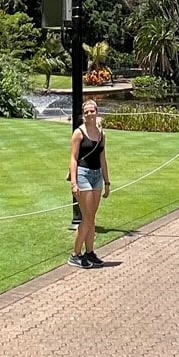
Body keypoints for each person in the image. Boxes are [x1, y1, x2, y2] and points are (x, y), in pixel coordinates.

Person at [68, 99, 110, 268]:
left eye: (92, 111)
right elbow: (73, 159)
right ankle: (75, 254)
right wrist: (74, 183)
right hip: (83, 175)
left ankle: (90, 252)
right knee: (86, 218)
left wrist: (107, 181)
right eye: (87, 112)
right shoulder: (79, 133)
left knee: (91, 218)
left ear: (97, 112)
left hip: (96, 175)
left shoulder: (101, 134)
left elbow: (102, 157)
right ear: (83, 114)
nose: (90, 114)